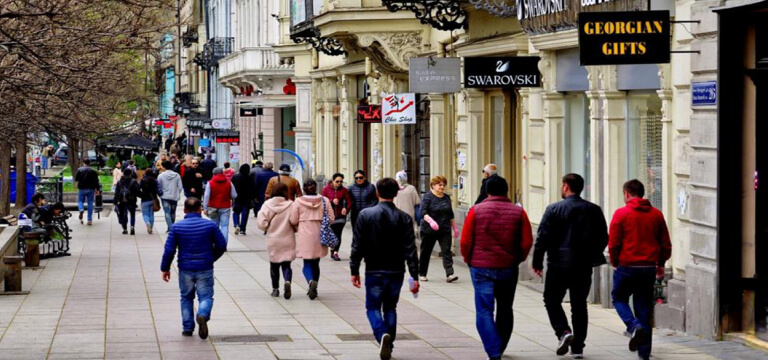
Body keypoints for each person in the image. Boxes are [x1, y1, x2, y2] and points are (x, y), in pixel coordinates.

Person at [532, 173, 609, 359]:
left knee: (551, 300)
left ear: (566, 186)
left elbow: (542, 237)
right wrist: (592, 255)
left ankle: (563, 331)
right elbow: (603, 237)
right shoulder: (594, 210)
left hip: (558, 263)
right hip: (582, 265)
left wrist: (537, 261)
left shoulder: (553, 209)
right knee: (579, 305)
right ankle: (578, 348)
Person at [460, 176, 533, 360]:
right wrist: (518, 259)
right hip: (508, 266)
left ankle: (493, 351)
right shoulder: (519, 212)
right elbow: (526, 242)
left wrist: (469, 259)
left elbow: (466, 240)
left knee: (484, 310)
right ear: (506, 190)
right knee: (505, 308)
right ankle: (499, 346)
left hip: (481, 266)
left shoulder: (476, 210)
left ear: (487, 191)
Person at [350, 177, 420, 360]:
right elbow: (410, 248)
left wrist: (354, 269)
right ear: (396, 193)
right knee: (390, 307)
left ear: (377, 192)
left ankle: (382, 335)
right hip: (396, 269)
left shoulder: (366, 214)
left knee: (372, 306)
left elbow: (357, 244)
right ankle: (389, 341)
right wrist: (415, 274)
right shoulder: (404, 217)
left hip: (374, 269)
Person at [609, 180, 672, 360]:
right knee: (643, 307)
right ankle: (643, 353)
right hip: (647, 268)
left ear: (627, 194)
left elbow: (614, 242)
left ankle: (633, 326)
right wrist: (660, 263)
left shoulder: (621, 214)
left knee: (619, 298)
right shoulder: (656, 215)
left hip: (627, 266)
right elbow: (665, 243)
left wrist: (615, 261)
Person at [160, 197, 227, 339]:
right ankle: (202, 314)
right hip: (205, 267)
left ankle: (188, 328)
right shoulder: (210, 226)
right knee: (206, 296)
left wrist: (165, 268)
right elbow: (222, 245)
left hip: (185, 268)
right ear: (200, 210)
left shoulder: (177, 227)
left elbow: (169, 250)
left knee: (186, 297)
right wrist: (211, 257)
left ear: (184, 210)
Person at [289, 179, 334, 300]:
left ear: (303, 189)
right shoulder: (324, 200)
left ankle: (310, 282)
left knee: (307, 262)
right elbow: (331, 218)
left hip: (305, 234)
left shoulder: (298, 201)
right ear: (316, 187)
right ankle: (315, 286)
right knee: (316, 263)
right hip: (321, 234)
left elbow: (293, 220)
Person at [256, 183, 296, 299]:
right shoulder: (291, 205)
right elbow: (295, 221)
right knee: (286, 263)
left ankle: (275, 289)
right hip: (288, 238)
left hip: (273, 239)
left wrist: (267, 227)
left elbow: (261, 223)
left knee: (274, 265)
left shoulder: (267, 205)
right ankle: (287, 280)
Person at [418, 175, 459, 283]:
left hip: (444, 229)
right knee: (426, 251)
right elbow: (422, 212)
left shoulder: (446, 197)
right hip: (429, 229)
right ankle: (422, 273)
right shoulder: (427, 197)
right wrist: (431, 221)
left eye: (443, 185)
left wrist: (454, 227)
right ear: (433, 185)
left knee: (446, 251)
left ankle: (450, 274)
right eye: (439, 185)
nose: (442, 187)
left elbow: (450, 213)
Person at [321, 173, 352, 261]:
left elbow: (349, 202)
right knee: (332, 233)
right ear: (333, 180)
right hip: (329, 216)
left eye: (341, 181)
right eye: (337, 181)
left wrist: (345, 209)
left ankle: (335, 252)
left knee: (338, 234)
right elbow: (322, 201)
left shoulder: (344, 190)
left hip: (340, 216)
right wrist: (331, 201)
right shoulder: (326, 189)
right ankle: (332, 249)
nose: (339, 183)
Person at [203, 168, 237, 242]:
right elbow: (234, 195)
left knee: (214, 226)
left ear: (213, 174)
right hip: (225, 207)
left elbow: (206, 196)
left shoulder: (210, 183)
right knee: (224, 226)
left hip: (212, 207)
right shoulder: (229, 182)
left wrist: (205, 208)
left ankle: (215, 243)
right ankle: (223, 244)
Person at [158, 160, 183, 230]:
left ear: (163, 167)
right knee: (173, 212)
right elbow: (180, 187)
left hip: (164, 196)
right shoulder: (177, 175)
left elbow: (158, 186)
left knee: (166, 212)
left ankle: (170, 227)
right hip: (174, 196)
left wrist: (160, 194)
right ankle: (172, 226)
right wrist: (177, 192)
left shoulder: (160, 176)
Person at [74, 158, 101, 226]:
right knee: (90, 203)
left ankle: (81, 209)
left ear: (83, 162)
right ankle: (89, 220)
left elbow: (76, 179)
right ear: (90, 163)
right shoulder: (93, 171)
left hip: (82, 188)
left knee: (80, 201)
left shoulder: (80, 170)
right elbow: (96, 181)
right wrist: (97, 189)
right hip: (91, 189)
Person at [115, 168, 141, 235]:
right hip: (131, 200)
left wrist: (115, 201)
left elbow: (117, 192)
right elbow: (137, 191)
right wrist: (142, 196)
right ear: (130, 174)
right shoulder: (133, 181)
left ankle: (125, 229)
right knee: (132, 214)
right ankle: (132, 227)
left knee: (124, 214)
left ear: (123, 173)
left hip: (121, 201)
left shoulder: (119, 182)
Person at [230, 164, 253, 235]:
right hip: (247, 198)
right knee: (245, 214)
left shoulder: (235, 177)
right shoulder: (250, 178)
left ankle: (236, 224)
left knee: (236, 212)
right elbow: (253, 189)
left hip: (237, 198)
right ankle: (243, 229)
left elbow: (231, 187)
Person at [139, 168, 160, 234]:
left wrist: (141, 194)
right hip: (153, 199)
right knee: (151, 214)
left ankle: (147, 222)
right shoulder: (155, 180)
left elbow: (138, 188)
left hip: (145, 199)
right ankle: (151, 227)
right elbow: (158, 189)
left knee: (145, 214)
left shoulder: (142, 180)